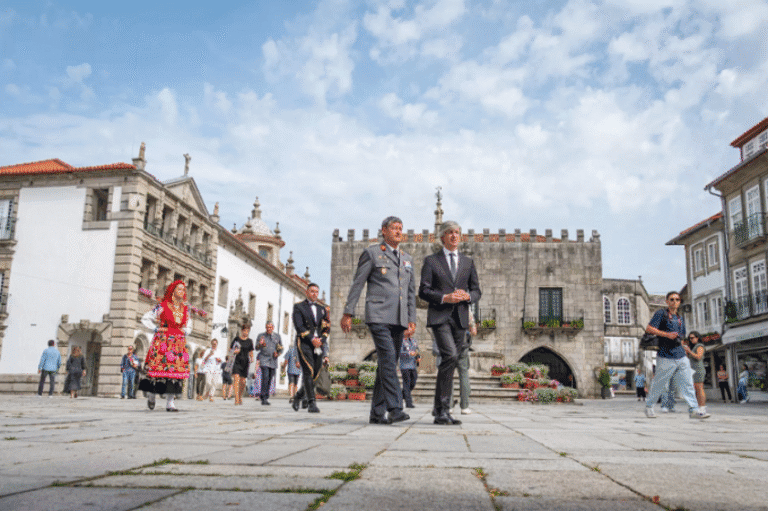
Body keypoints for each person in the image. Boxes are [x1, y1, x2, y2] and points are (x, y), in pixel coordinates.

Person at [341, 216, 416, 425]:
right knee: (389, 359)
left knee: (387, 364)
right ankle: (394, 408)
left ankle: (376, 413)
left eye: (401, 228)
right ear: (384, 230)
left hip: (399, 319)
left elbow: (410, 292)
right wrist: (348, 312)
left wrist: (412, 319)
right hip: (378, 315)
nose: (399, 232)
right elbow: (358, 284)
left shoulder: (407, 259)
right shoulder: (373, 253)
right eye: (394, 228)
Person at [419, 221, 482, 426]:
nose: (454, 236)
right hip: (440, 317)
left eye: (457, 232)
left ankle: (440, 410)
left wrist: (467, 296)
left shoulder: (467, 262)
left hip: (460, 318)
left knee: (451, 361)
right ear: (442, 238)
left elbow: (476, 291)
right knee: (450, 355)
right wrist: (446, 297)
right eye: (450, 233)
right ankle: (442, 409)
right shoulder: (432, 261)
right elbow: (424, 291)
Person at [643, 291, 709, 419]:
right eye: (672, 299)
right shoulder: (661, 314)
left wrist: (684, 348)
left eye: (677, 299)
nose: (675, 301)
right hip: (665, 355)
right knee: (659, 383)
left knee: (688, 383)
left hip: (680, 355)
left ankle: (694, 410)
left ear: (679, 302)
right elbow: (649, 329)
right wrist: (667, 335)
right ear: (667, 301)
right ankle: (649, 406)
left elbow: (682, 336)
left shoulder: (680, 318)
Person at [138, 280, 192, 412]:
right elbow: (145, 318)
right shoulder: (162, 306)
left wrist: (185, 331)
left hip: (178, 343)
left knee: (175, 374)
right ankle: (151, 394)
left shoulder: (185, 309)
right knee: (157, 370)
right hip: (163, 340)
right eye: (179, 289)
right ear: (173, 290)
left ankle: (170, 402)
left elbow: (189, 325)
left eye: (183, 290)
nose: (182, 292)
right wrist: (155, 329)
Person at [292, 283, 329, 413]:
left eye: (316, 292)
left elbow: (326, 327)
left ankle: (298, 396)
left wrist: (322, 340)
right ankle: (311, 402)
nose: (314, 294)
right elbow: (299, 326)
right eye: (312, 291)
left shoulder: (322, 309)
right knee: (308, 371)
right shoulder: (298, 307)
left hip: (318, 345)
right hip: (305, 343)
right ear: (307, 292)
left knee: (316, 373)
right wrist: (312, 339)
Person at [256, 321, 283, 406]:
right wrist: (260, 344)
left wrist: (278, 354)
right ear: (265, 327)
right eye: (267, 327)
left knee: (269, 379)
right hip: (264, 359)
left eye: (270, 327)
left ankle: (266, 396)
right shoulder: (261, 336)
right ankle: (263, 397)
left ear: (273, 328)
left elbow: (280, 348)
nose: (269, 329)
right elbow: (256, 348)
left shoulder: (277, 337)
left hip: (273, 360)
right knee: (265, 377)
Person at [230, 322, 255, 405]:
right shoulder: (237, 339)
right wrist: (235, 351)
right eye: (244, 331)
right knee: (236, 379)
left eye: (247, 331)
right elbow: (230, 349)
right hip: (237, 361)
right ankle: (236, 399)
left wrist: (252, 358)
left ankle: (240, 396)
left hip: (245, 363)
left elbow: (251, 352)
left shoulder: (250, 341)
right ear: (242, 331)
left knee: (243, 382)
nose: (246, 333)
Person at [685, 331, 707, 415]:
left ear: (697, 338)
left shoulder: (699, 346)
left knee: (699, 388)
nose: (690, 340)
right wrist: (687, 352)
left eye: (692, 338)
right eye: (689, 338)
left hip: (698, 370)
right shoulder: (693, 347)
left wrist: (689, 351)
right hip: (693, 370)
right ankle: (699, 407)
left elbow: (698, 357)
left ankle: (702, 408)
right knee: (696, 390)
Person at [399, 335, 419, 409]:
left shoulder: (413, 340)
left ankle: (401, 395)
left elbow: (417, 350)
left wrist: (418, 357)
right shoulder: (401, 341)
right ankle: (408, 402)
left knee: (413, 381)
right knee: (406, 383)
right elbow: (399, 352)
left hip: (413, 365)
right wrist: (408, 353)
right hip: (404, 366)